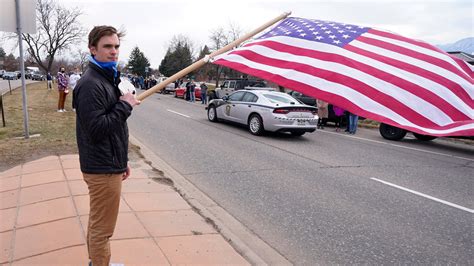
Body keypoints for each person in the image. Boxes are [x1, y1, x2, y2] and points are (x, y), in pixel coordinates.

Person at [72, 25, 140, 266]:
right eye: (107, 47)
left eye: (116, 46)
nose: (114, 52)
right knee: (103, 229)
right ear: (93, 49)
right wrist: (125, 106)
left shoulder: (106, 77)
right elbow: (97, 129)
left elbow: (114, 129)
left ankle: (96, 261)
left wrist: (123, 161)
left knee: (97, 221)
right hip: (101, 168)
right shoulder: (91, 83)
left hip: (109, 163)